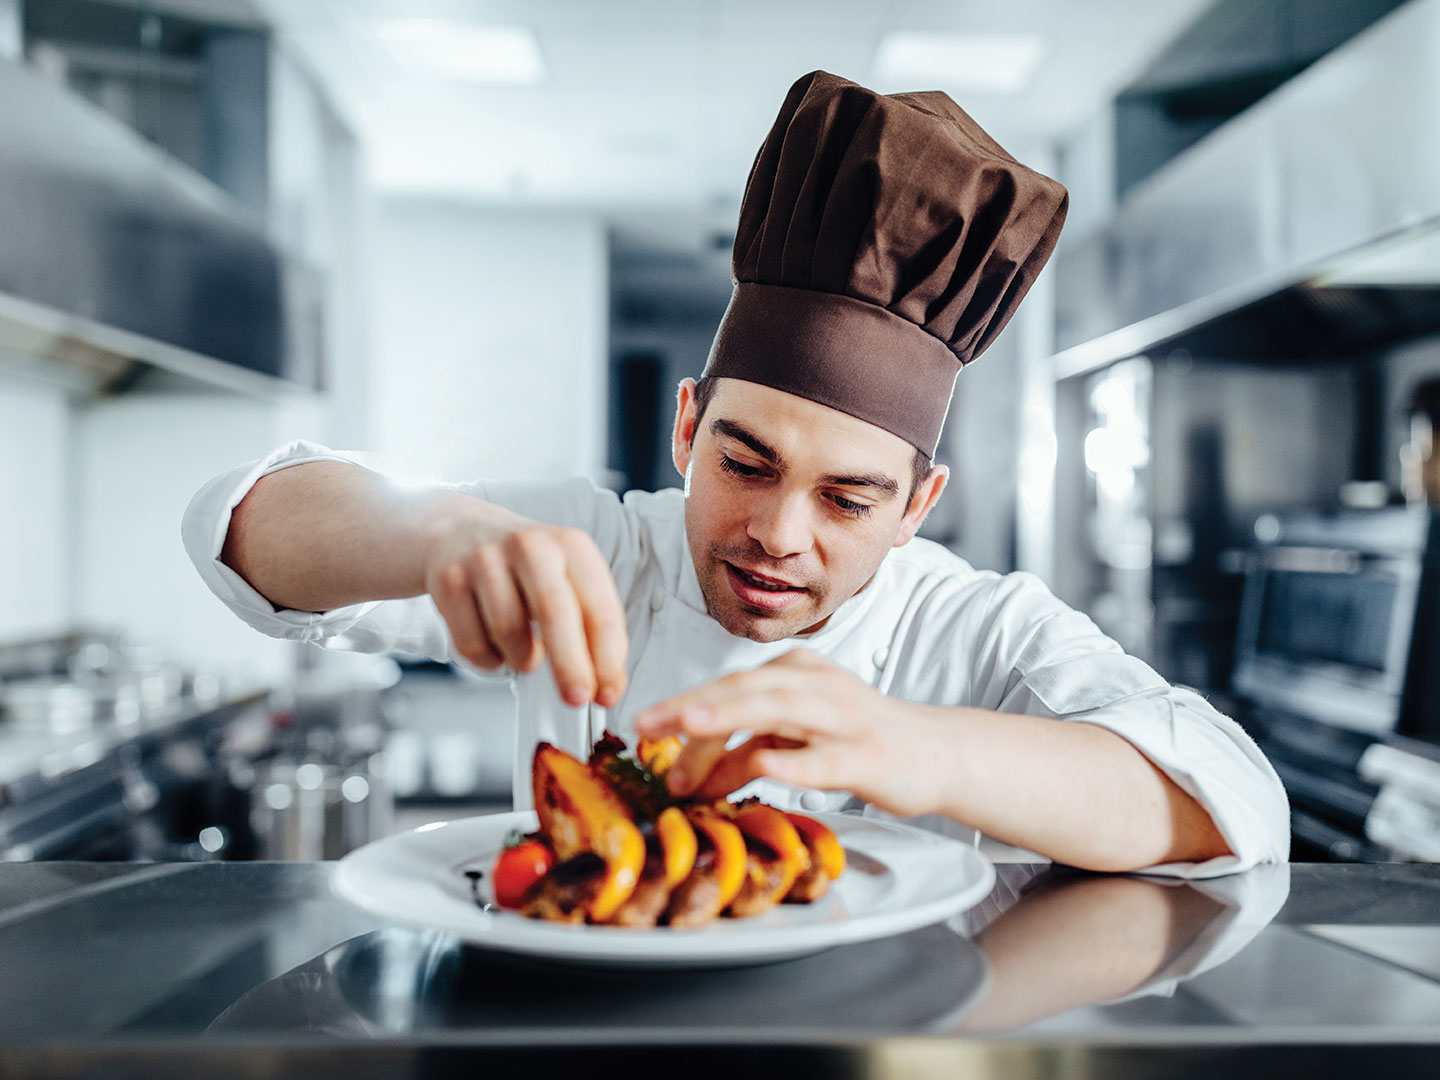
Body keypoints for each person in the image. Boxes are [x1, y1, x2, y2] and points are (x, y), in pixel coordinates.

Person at [184, 71, 1288, 876]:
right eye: (745, 462)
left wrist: (917, 748)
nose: (778, 532)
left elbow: (1233, 802)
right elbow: (232, 530)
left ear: (918, 507)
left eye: (849, 497)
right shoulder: (595, 549)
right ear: (685, 430)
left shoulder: (981, 633)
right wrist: (435, 532)